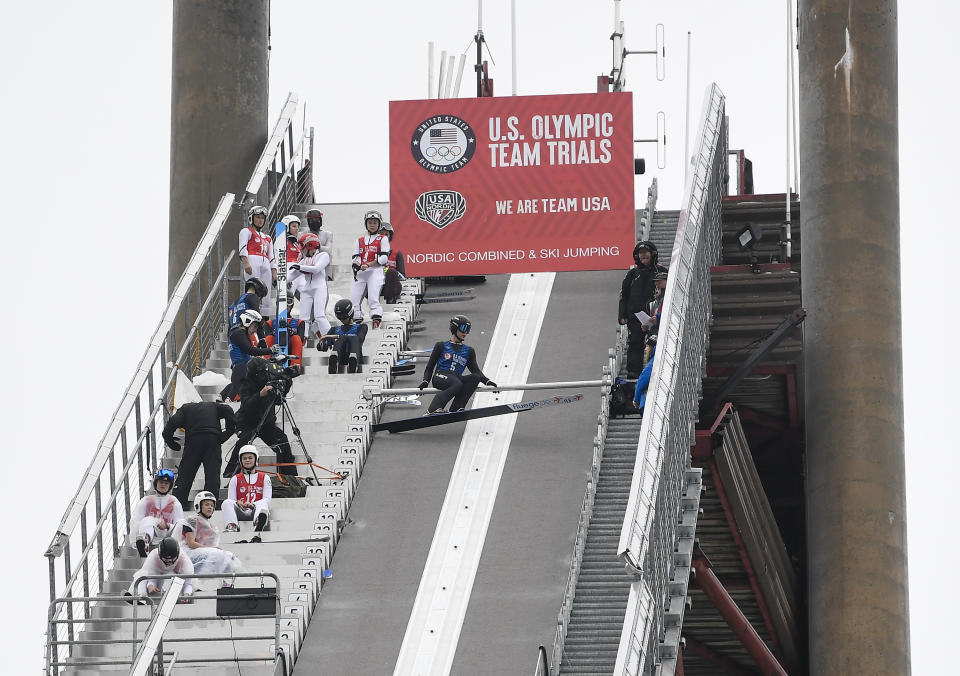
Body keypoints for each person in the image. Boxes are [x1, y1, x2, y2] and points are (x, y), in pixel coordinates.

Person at [223, 357, 299, 477]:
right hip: (247, 422)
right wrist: (260, 394)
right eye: (262, 371)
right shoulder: (246, 383)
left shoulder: (270, 380)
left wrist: (287, 382)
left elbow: (279, 400)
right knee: (244, 444)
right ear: (256, 373)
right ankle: (231, 474)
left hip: (266, 422)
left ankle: (291, 475)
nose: (265, 373)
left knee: (282, 441)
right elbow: (246, 404)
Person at [162, 401, 237, 510]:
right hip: (212, 440)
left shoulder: (185, 408)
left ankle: (178, 506)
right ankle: (210, 506)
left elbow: (174, 422)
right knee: (212, 475)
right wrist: (226, 433)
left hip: (193, 441)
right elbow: (228, 409)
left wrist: (173, 444)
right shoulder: (214, 405)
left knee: (185, 475)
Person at [418, 315, 498, 414]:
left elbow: (476, 371)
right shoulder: (441, 346)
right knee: (457, 383)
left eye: (468, 329)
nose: (466, 332)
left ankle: (456, 408)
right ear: (455, 328)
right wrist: (425, 381)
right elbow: (430, 367)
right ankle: (433, 409)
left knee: (475, 377)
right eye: (464, 328)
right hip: (440, 376)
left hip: (456, 378)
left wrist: (488, 382)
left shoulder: (469, 351)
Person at [170, 491, 241, 586]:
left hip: (202, 554)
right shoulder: (191, 520)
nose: (210, 507)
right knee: (219, 555)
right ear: (198, 506)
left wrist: (215, 550)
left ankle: (221, 581)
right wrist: (213, 550)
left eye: (212, 505)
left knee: (230, 557)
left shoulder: (213, 528)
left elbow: (211, 548)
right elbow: (191, 543)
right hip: (186, 554)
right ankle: (200, 582)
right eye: (206, 504)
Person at [618, 240, 667, 377]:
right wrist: (622, 314)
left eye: (646, 252)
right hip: (636, 317)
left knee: (659, 343)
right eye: (640, 253)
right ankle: (634, 374)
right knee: (634, 343)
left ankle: (659, 373)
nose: (643, 255)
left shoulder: (662, 272)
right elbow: (624, 295)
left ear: (653, 254)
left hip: (657, 316)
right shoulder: (632, 274)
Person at [218, 309, 276, 402]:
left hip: (239, 364)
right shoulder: (239, 333)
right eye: (255, 326)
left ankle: (221, 396)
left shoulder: (238, 333)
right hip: (241, 365)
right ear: (247, 321)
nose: (255, 330)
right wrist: (269, 350)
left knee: (237, 383)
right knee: (239, 385)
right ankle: (227, 400)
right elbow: (250, 350)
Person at [221, 446, 273, 539]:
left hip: (256, 510)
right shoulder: (235, 479)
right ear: (241, 461)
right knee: (226, 502)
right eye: (244, 458)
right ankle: (232, 526)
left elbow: (268, 500)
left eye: (250, 458)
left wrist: (253, 505)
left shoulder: (265, 477)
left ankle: (258, 523)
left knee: (263, 502)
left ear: (256, 459)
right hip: (241, 511)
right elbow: (231, 500)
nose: (247, 460)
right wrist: (237, 503)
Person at [130, 469, 184, 558]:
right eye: (161, 482)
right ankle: (144, 543)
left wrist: (167, 525)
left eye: (166, 483)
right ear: (156, 483)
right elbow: (135, 522)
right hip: (149, 532)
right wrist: (134, 542)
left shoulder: (174, 502)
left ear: (170, 486)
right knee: (148, 519)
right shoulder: (146, 500)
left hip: (169, 535)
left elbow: (180, 525)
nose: (163, 485)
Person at [350, 210, 390, 328]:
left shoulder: (383, 238)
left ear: (379, 224)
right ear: (366, 224)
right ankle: (356, 318)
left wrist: (368, 264)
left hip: (375, 271)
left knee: (373, 297)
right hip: (361, 272)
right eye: (370, 222)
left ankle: (376, 317)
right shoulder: (360, 240)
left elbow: (383, 258)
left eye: (375, 222)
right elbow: (355, 257)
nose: (372, 225)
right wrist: (357, 264)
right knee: (354, 299)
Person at [289, 232, 332, 342]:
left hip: (319, 288)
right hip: (307, 289)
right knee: (304, 317)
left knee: (319, 316)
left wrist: (300, 266)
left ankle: (331, 338)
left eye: (302, 247)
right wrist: (281, 280)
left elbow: (317, 269)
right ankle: (303, 338)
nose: (301, 250)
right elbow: (292, 275)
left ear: (310, 245)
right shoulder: (304, 260)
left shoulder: (323, 255)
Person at [126, 537, 194, 602]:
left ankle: (168, 599)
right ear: (160, 555)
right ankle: (139, 596)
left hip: (176, 586)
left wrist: (187, 594)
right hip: (159, 582)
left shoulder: (184, 561)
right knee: (141, 574)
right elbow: (151, 576)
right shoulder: (154, 556)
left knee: (170, 575)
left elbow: (188, 583)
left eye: (172, 558)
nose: (169, 561)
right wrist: (151, 586)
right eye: (166, 559)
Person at [239, 205, 277, 308]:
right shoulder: (246, 231)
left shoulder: (268, 238)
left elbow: (272, 257)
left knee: (266, 294)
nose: (260, 220)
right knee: (253, 289)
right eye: (257, 217)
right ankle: (250, 315)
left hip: (266, 264)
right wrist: (246, 263)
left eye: (262, 218)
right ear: (251, 218)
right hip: (252, 261)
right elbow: (243, 248)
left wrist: (275, 274)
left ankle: (265, 320)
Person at [317, 299, 368, 374]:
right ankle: (334, 360)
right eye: (340, 318)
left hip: (356, 354)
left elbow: (360, 338)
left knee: (354, 338)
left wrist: (336, 336)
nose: (342, 320)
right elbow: (321, 347)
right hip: (342, 357)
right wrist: (323, 343)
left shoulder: (362, 327)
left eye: (344, 318)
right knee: (342, 339)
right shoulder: (335, 329)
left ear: (350, 314)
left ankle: (353, 361)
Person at [276, 215, 303, 295]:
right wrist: (284, 278)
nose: (297, 228)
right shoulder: (281, 241)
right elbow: (278, 259)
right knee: (288, 296)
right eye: (294, 226)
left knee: (306, 295)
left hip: (299, 270)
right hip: (288, 269)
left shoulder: (297, 243)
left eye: (298, 226)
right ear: (287, 227)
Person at [380, 222, 405, 303]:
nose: (383, 237)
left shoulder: (397, 254)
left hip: (393, 286)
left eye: (386, 234)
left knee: (391, 272)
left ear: (390, 236)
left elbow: (402, 276)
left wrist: (386, 271)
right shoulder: (371, 253)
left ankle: (390, 301)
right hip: (377, 285)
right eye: (381, 234)